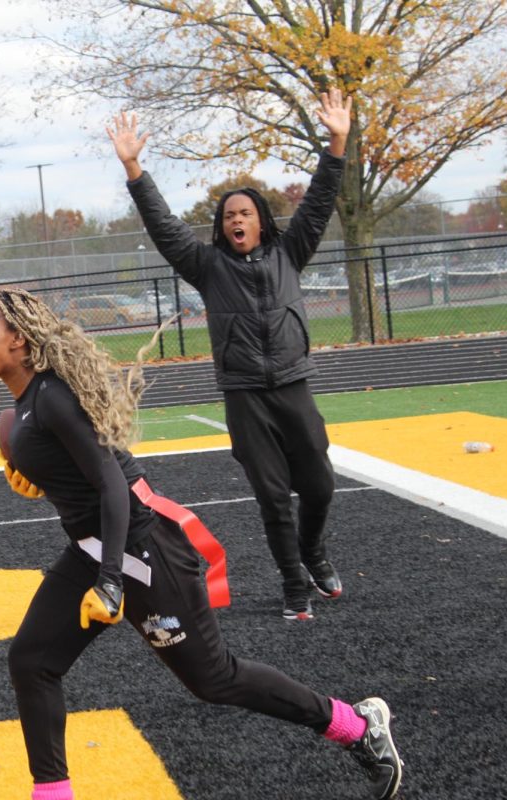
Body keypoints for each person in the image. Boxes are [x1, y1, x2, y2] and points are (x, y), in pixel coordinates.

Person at [0, 288, 401, 800]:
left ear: (17, 338)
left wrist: (109, 581)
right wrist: (40, 479)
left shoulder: (54, 396)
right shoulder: (20, 413)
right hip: (92, 549)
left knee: (215, 679)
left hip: (143, 551)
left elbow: (113, 486)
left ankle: (355, 726)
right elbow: (77, 482)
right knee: (31, 662)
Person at [108, 89, 352, 621]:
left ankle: (313, 554)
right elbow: (163, 224)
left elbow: (319, 200)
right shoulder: (207, 266)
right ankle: (294, 585)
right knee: (271, 497)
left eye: (245, 213)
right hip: (244, 397)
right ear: (221, 227)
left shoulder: (292, 251)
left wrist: (336, 141)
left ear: (261, 219)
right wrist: (134, 169)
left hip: (292, 385)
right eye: (228, 216)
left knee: (319, 485)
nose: (236, 221)